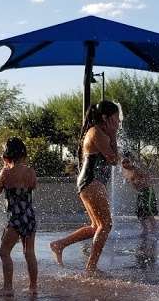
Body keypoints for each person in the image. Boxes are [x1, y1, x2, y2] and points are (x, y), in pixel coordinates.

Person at [50, 100, 120, 272]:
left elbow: (113, 160)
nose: (118, 122)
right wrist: (113, 135)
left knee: (97, 227)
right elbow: (113, 159)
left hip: (90, 182)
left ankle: (60, 244)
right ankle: (91, 268)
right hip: (91, 181)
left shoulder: (100, 132)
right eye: (116, 118)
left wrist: (112, 135)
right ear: (105, 118)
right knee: (106, 225)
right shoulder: (97, 132)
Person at [0, 137, 38, 295]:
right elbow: (33, 186)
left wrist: (0, 181)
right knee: (29, 252)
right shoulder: (30, 172)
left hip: (16, 218)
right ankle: (33, 287)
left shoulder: (6, 172)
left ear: (6, 156)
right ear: (23, 155)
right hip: (29, 216)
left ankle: (8, 288)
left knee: (4, 252)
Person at [121, 151, 158, 235]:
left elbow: (147, 177)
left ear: (131, 161)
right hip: (140, 192)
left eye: (127, 162)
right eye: (123, 163)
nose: (125, 164)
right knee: (139, 212)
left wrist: (140, 181)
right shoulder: (125, 172)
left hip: (147, 191)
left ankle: (154, 229)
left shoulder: (136, 169)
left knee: (147, 210)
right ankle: (145, 229)